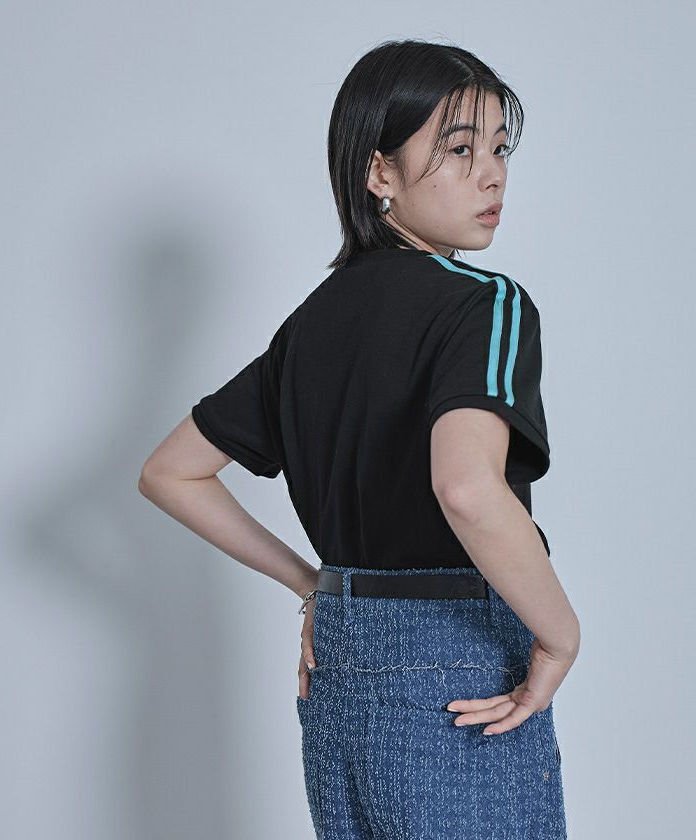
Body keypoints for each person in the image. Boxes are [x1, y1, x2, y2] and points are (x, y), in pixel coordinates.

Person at [139, 38, 580, 840]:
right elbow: (467, 487)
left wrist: (314, 585)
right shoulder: (484, 305)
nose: (492, 174)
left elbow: (172, 472)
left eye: (499, 149)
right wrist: (559, 637)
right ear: (379, 172)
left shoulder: (312, 324)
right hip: (461, 657)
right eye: (459, 149)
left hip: (343, 663)